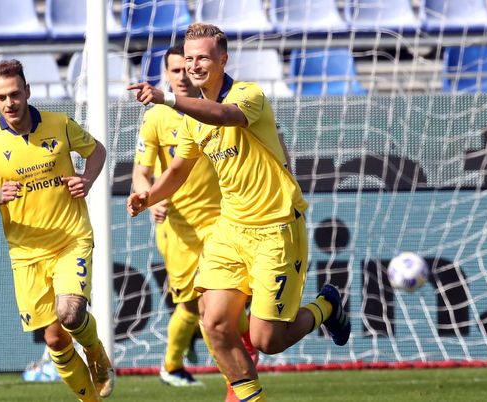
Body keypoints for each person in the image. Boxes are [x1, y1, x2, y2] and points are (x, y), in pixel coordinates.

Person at [127, 23, 351, 401]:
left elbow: (223, 115)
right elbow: (178, 170)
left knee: (267, 339)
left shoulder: (248, 95)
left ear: (222, 59)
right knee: (213, 323)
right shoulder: (191, 120)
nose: (194, 65)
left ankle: (326, 305)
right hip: (231, 230)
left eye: (202, 58)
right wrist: (147, 197)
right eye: (189, 58)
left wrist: (166, 99)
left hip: (276, 227)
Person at [0, 60, 113, 402]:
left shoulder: (59, 125)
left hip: (70, 239)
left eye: (15, 94)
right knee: (55, 339)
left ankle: (97, 353)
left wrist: (86, 180)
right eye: (0, 97)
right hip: (26, 253)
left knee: (70, 313)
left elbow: (97, 151)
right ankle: (90, 399)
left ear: (27, 91)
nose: (9, 103)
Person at [133, 44, 220, 388]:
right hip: (177, 227)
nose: (182, 77)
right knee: (192, 304)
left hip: (222, 219)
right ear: (166, 75)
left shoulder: (215, 109)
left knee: (230, 297)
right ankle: (172, 365)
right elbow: (141, 172)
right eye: (174, 71)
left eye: (186, 69)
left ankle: (241, 351)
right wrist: (150, 198)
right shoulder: (156, 117)